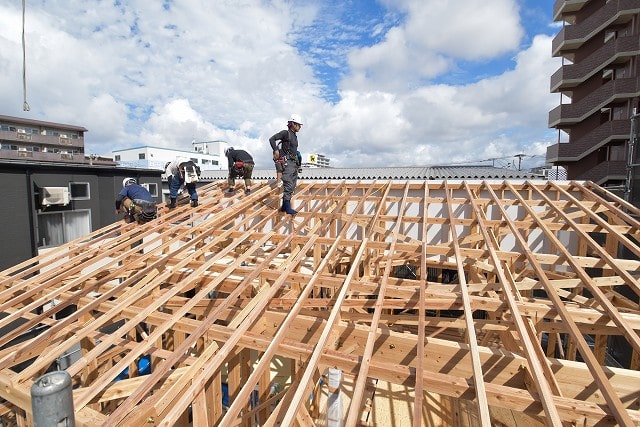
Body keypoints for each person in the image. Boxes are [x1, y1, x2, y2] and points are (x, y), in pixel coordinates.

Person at [269, 113, 303, 215]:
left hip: (294, 163)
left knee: (292, 185)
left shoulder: (295, 136)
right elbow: (272, 139)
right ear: (292, 123)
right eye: (298, 124)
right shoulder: (285, 133)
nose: (300, 127)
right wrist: (276, 150)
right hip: (287, 162)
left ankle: (284, 206)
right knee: (288, 184)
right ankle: (287, 207)